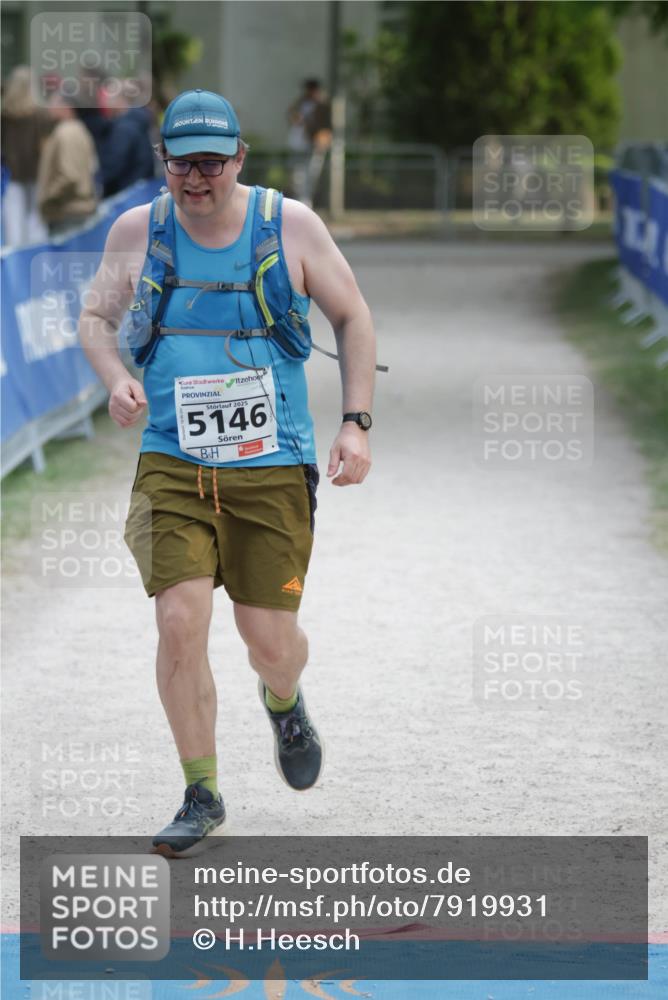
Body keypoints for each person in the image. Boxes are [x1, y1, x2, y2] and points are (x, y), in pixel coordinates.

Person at [79, 89, 376, 856]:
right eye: (182, 163)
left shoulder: (291, 226)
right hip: (171, 460)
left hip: (271, 464)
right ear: (164, 161)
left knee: (268, 640)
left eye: (212, 162)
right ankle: (201, 792)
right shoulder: (137, 232)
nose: (197, 178)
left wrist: (355, 421)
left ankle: (283, 699)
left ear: (240, 158)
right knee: (179, 620)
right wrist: (116, 378)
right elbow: (96, 319)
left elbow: (353, 315)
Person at [1, 65, 52, 246]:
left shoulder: (4, 115)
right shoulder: (41, 114)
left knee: (13, 222)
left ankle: (15, 259)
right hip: (37, 171)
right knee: (36, 221)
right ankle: (35, 255)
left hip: (12, 174)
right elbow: (45, 146)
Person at [37, 93, 99, 236]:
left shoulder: (65, 133)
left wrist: (47, 198)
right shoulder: (78, 128)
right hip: (77, 209)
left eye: (54, 103)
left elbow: (70, 176)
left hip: (68, 210)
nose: (49, 108)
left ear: (67, 107)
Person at [286, 78, 332, 208]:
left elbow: (326, 126)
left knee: (312, 174)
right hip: (299, 144)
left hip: (315, 144)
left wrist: (322, 141)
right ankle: (300, 202)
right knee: (297, 175)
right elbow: (291, 116)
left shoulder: (323, 105)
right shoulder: (300, 103)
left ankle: (306, 202)